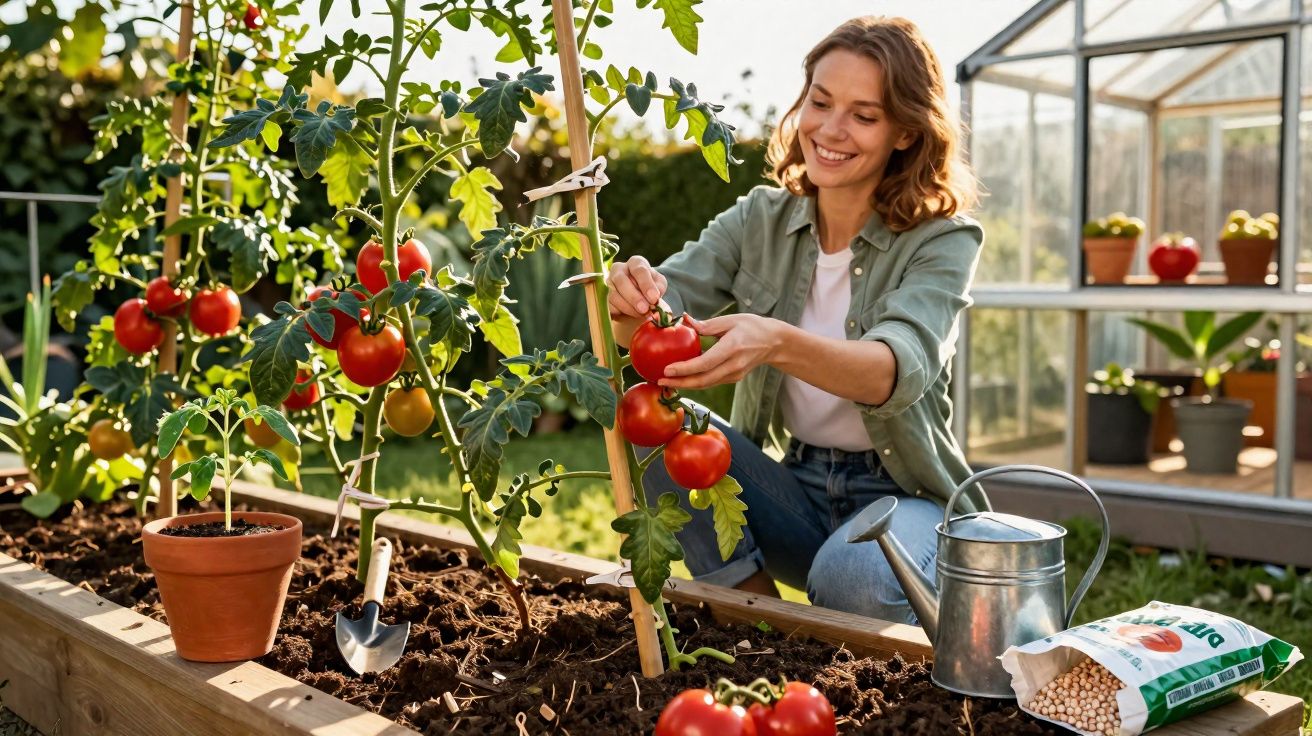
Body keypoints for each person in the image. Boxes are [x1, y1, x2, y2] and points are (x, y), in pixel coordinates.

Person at [605, 16, 986, 625]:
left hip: (904, 499)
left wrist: (777, 343)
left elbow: (893, 371)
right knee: (644, 424)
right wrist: (630, 298)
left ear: (907, 133)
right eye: (821, 102)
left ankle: (897, 613)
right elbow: (651, 318)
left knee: (852, 578)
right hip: (796, 487)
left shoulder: (941, 240)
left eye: (864, 115)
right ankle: (757, 629)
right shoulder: (759, 218)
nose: (830, 130)